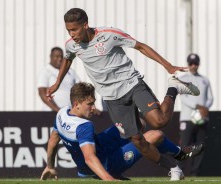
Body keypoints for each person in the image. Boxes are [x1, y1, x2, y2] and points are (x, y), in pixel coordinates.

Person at [46, 8, 200, 172]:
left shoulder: (109, 34)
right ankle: (173, 167)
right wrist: (57, 83)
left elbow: (140, 46)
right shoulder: (71, 45)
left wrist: (167, 66)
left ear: (85, 25)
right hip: (112, 99)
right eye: (68, 30)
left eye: (74, 29)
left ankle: (174, 87)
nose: (71, 34)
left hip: (132, 84)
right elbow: (68, 59)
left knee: (159, 121)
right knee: (137, 141)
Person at [41, 82, 204, 181]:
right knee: (155, 135)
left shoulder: (62, 113)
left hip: (101, 148)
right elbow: (90, 158)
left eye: (93, 102)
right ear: (76, 104)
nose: (93, 107)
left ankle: (177, 158)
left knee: (138, 123)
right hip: (104, 165)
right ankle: (177, 159)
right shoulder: (84, 126)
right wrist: (108, 179)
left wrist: (50, 166)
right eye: (89, 104)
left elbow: (53, 140)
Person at [176, 53, 213, 176]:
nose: (193, 66)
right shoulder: (183, 79)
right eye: (191, 63)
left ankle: (195, 174)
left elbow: (210, 97)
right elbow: (184, 98)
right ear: (188, 64)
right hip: (187, 118)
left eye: (195, 63)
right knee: (185, 146)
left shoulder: (204, 80)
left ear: (198, 64)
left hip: (202, 118)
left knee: (200, 147)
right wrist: (198, 106)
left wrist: (205, 108)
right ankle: (179, 171)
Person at [37, 47, 80, 112]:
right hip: (52, 113)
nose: (59, 59)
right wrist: (58, 110)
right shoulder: (46, 71)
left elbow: (81, 89)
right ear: (51, 57)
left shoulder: (70, 71)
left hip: (69, 113)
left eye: (61, 56)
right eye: (56, 56)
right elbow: (42, 93)